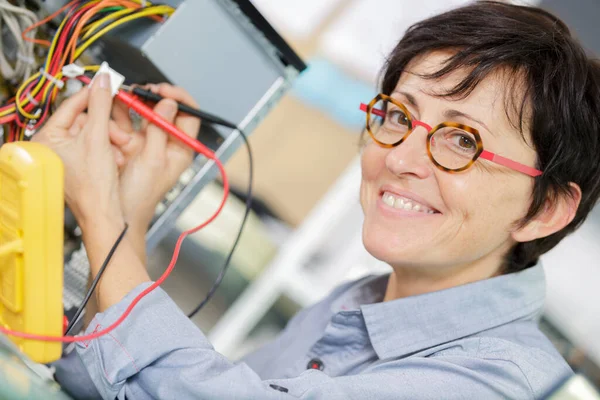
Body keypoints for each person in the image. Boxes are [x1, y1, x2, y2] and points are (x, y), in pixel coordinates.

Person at [40, 1, 600, 399]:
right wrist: (127, 214)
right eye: (400, 117)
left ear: (543, 209)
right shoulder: (356, 303)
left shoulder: (495, 382)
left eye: (462, 140)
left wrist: (105, 217)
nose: (401, 157)